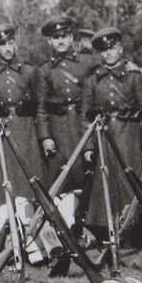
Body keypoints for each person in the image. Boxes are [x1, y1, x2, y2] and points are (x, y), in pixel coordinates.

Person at [81, 27, 142, 235]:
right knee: (106, 179)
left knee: (130, 177)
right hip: (104, 135)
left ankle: (134, 225)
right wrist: (88, 145)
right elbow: (85, 116)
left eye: (112, 48)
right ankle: (107, 227)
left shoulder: (133, 76)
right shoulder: (92, 79)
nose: (108, 54)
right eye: (104, 50)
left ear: (120, 49)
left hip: (129, 134)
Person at [0, 24, 44, 201]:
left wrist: (42, 137)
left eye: (11, 43)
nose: (8, 48)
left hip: (26, 132)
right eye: (3, 45)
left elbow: (40, 106)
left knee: (29, 178)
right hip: (2, 133)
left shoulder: (30, 71)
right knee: (6, 177)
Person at [36, 15, 86, 190]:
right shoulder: (45, 70)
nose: (61, 41)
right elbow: (41, 107)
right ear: (49, 41)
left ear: (71, 37)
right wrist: (46, 137)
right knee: (61, 175)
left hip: (82, 125)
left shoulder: (86, 63)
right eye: (56, 38)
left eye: (64, 36)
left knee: (86, 170)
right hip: (59, 128)